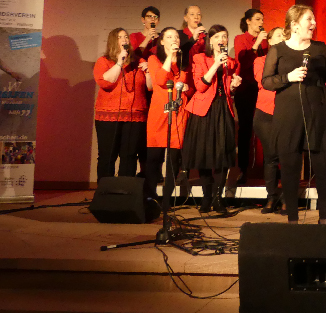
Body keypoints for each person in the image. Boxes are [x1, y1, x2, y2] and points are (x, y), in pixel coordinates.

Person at [261, 5, 326, 224]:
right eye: (309, 19)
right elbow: (266, 81)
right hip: (288, 117)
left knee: (322, 166)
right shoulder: (278, 50)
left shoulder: (319, 48)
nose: (314, 23)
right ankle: (292, 217)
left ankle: (324, 217)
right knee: (290, 166)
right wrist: (288, 77)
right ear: (294, 24)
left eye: (314, 19)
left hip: (317, 116)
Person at [183, 25, 242, 214]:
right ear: (210, 40)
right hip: (203, 111)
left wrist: (234, 85)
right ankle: (206, 198)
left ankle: (218, 198)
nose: (222, 40)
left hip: (223, 108)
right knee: (204, 155)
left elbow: (227, 90)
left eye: (225, 36)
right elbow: (200, 86)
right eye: (218, 37)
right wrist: (216, 64)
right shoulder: (200, 58)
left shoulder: (230, 62)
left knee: (222, 155)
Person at [92, 28, 151, 181]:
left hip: (135, 116)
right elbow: (105, 82)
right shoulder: (103, 61)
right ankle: (105, 194)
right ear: (113, 41)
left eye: (126, 37)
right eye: (120, 37)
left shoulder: (139, 61)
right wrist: (119, 62)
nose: (125, 39)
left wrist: (149, 72)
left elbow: (150, 87)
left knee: (129, 156)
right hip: (109, 116)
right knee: (108, 155)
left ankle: (125, 193)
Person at [144, 27, 191, 202]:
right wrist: (170, 58)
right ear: (162, 41)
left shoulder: (184, 62)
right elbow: (160, 80)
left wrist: (188, 88)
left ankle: (167, 200)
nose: (174, 40)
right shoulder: (153, 59)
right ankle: (150, 196)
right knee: (154, 158)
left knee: (173, 160)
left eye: (176, 37)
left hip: (178, 113)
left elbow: (192, 86)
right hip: (159, 113)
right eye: (169, 37)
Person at [233, 9, 270, 184]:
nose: (260, 22)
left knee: (265, 127)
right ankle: (243, 169)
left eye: (262, 19)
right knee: (246, 129)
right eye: (257, 19)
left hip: (262, 89)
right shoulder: (241, 39)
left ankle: (268, 168)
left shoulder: (265, 42)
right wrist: (256, 45)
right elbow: (244, 63)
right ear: (248, 21)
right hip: (246, 89)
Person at [253, 27, 285, 213]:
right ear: (270, 41)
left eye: (284, 35)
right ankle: (272, 197)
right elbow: (262, 80)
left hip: (286, 113)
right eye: (279, 35)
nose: (283, 38)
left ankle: (288, 197)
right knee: (271, 156)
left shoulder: (290, 62)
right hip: (265, 113)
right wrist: (286, 78)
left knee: (288, 156)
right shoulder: (261, 60)